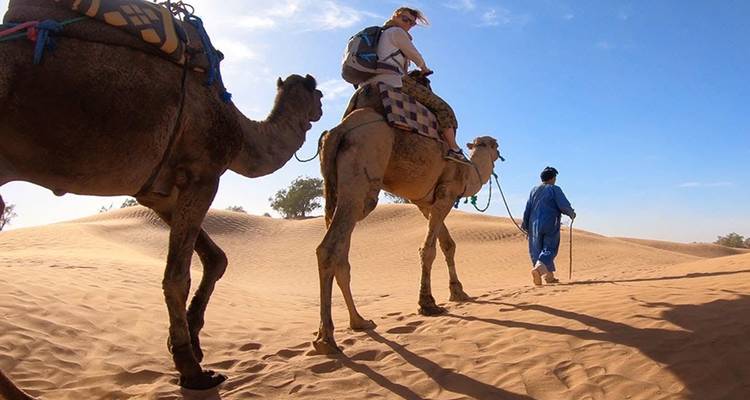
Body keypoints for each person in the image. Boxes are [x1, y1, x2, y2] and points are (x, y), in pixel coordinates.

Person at [363, 7, 470, 164]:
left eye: (412, 23)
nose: (408, 24)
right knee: (443, 108)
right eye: (405, 19)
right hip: (392, 80)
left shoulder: (379, 36)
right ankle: (454, 149)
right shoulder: (396, 32)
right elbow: (415, 55)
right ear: (395, 16)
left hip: (368, 82)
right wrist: (424, 68)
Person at [521, 167, 576, 285]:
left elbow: (528, 208)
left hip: (534, 225)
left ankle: (549, 276)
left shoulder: (534, 190)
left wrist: (525, 225)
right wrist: (571, 213)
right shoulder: (554, 189)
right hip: (550, 223)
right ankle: (538, 270)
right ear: (552, 178)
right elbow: (563, 205)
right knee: (549, 248)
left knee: (537, 249)